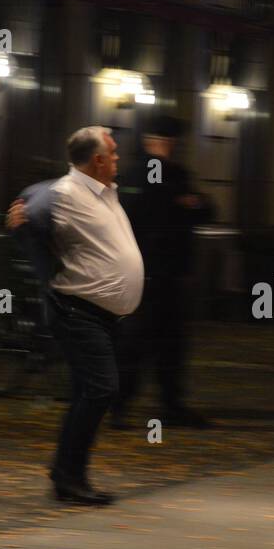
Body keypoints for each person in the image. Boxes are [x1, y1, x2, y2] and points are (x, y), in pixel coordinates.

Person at [42, 126, 143, 505]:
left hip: (104, 315)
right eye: (113, 153)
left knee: (88, 391)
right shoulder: (66, 195)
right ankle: (69, 476)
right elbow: (35, 215)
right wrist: (18, 219)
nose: (118, 159)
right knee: (101, 388)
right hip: (77, 310)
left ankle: (64, 472)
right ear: (98, 160)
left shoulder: (105, 192)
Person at [113, 115, 214, 429]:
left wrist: (189, 203)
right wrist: (182, 203)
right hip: (149, 271)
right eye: (164, 141)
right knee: (139, 342)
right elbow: (157, 206)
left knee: (170, 342)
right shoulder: (150, 171)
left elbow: (203, 209)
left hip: (166, 271)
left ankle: (168, 403)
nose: (169, 147)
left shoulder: (165, 172)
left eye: (171, 142)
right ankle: (122, 404)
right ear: (151, 141)